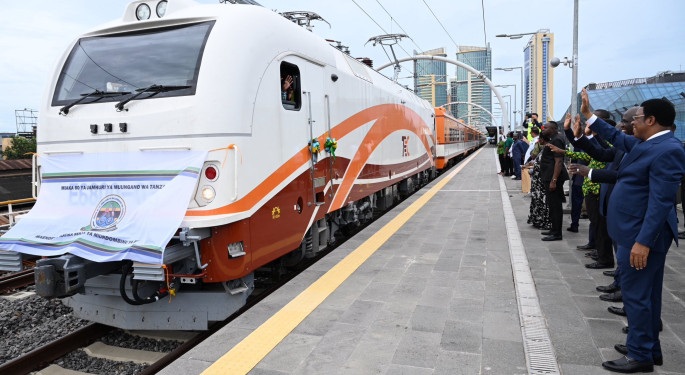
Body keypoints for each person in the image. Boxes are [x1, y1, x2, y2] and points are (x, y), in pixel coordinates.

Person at [580, 89, 685, 373]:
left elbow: (661, 202)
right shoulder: (648, 144)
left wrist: (642, 242)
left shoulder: (669, 150)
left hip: (639, 236)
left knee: (637, 297)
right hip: (631, 233)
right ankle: (648, 348)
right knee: (645, 297)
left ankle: (640, 355)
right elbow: (616, 138)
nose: (631, 124)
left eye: (636, 118)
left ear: (651, 120)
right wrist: (589, 116)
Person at [538, 122, 568, 241]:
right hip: (549, 177)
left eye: (546, 127)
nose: (543, 129)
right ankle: (553, 229)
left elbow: (559, 162)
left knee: (555, 206)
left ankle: (557, 233)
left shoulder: (557, 140)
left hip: (553, 178)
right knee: (552, 204)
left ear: (553, 129)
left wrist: (554, 180)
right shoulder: (553, 139)